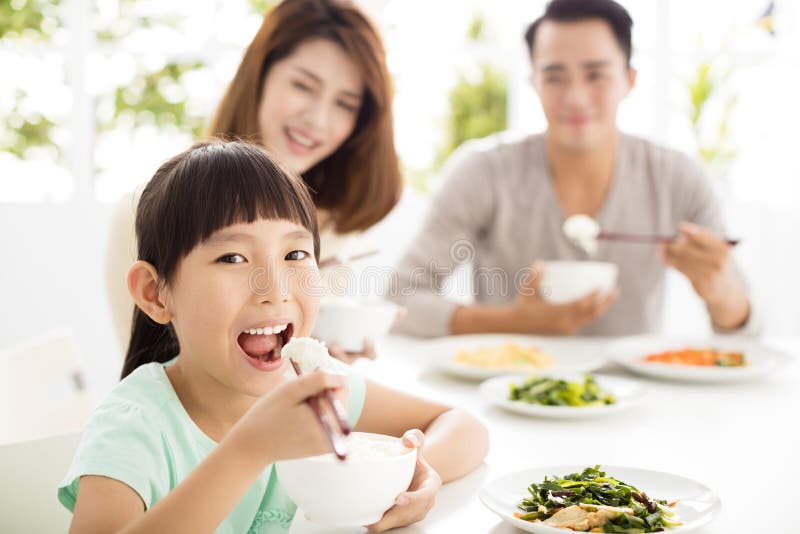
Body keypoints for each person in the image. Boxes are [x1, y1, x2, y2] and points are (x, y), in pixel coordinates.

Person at [61, 141, 488, 533]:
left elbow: (465, 427)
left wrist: (417, 472)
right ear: (155, 294)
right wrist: (250, 449)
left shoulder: (309, 388)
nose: (275, 289)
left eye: (295, 254)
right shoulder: (134, 426)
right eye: (232, 257)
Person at [390, 0, 757, 338]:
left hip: (641, 401)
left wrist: (718, 287)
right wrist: (512, 323)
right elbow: (399, 297)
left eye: (595, 75)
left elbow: (748, 329)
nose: (575, 97)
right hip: (506, 392)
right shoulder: (483, 173)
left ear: (629, 80)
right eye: (554, 77)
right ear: (534, 82)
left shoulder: (676, 177)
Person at [107, 0, 402, 362]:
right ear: (259, 76)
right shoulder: (149, 211)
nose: (318, 119)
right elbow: (154, 374)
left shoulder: (336, 227)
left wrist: (330, 360)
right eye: (303, 85)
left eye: (345, 104)